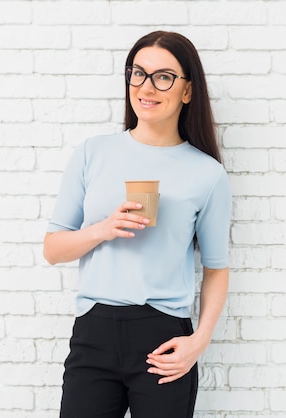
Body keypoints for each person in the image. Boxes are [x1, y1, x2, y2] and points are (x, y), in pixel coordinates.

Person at [43, 30, 231, 418]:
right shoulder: (92, 153)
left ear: (187, 91)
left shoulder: (207, 174)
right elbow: (53, 249)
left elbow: (216, 268)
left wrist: (198, 341)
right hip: (94, 332)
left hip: (163, 337)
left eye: (163, 76)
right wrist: (103, 229)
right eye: (138, 73)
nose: (147, 86)